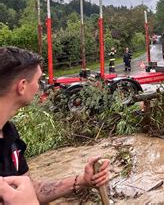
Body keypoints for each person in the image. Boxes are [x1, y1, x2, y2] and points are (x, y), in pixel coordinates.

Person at [0, 47, 110, 203]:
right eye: (38, 81)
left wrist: (82, 180)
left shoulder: (9, 132)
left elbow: (28, 191)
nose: (40, 87)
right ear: (22, 86)